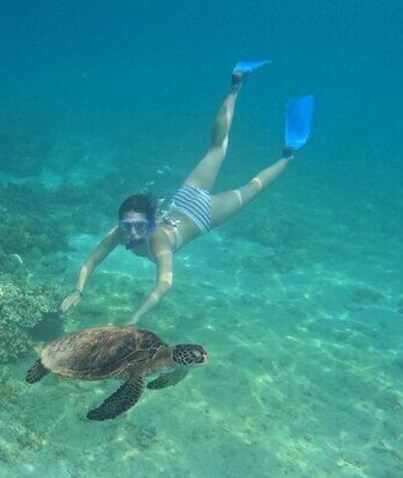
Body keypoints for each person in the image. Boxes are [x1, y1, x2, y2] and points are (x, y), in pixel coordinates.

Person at [61, 60, 314, 325]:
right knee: (215, 149)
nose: (131, 232)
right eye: (126, 225)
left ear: (151, 223)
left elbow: (164, 284)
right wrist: (78, 290)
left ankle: (288, 153)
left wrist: (135, 317)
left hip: (202, 213)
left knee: (251, 188)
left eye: (138, 226)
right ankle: (236, 84)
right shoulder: (120, 233)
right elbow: (91, 261)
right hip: (182, 200)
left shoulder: (158, 241)